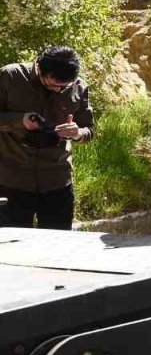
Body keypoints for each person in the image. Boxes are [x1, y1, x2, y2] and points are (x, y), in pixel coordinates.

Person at [0, 47, 94, 229]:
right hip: (11, 180)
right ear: (39, 68)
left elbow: (89, 130)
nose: (58, 90)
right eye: (52, 85)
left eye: (64, 87)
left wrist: (77, 133)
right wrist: (20, 120)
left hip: (57, 182)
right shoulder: (10, 77)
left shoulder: (79, 87)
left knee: (58, 243)